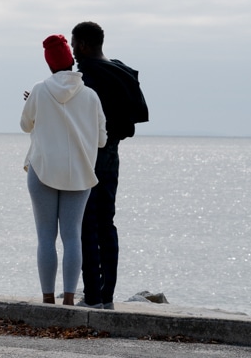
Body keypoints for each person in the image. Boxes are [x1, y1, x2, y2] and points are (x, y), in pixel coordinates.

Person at [20, 34, 107, 306]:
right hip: (79, 174)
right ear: (71, 61)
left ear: (49, 64)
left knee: (46, 237)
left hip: (43, 169)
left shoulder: (39, 90)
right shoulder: (91, 96)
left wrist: (36, 105)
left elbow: (25, 125)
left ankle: (48, 299)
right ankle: (69, 299)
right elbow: (102, 140)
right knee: (73, 237)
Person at [71, 21, 149, 310]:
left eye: (74, 45)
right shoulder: (121, 71)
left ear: (83, 45)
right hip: (112, 155)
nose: (73, 51)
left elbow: (75, 117)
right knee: (106, 223)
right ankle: (107, 295)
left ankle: (92, 295)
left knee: (86, 225)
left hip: (89, 156)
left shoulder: (87, 77)